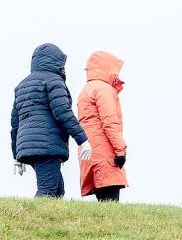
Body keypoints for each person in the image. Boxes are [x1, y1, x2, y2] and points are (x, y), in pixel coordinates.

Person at [10, 43, 92, 198]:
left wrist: (16, 155)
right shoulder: (54, 81)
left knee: (58, 191)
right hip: (46, 145)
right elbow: (63, 114)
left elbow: (15, 124)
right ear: (55, 62)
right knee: (47, 190)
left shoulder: (22, 85)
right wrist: (83, 140)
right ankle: (31, 221)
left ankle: (50, 220)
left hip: (28, 145)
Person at [77, 51, 128, 202]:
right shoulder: (104, 89)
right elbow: (110, 122)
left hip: (90, 153)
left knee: (102, 203)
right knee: (111, 205)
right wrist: (120, 151)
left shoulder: (85, 90)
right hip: (105, 153)